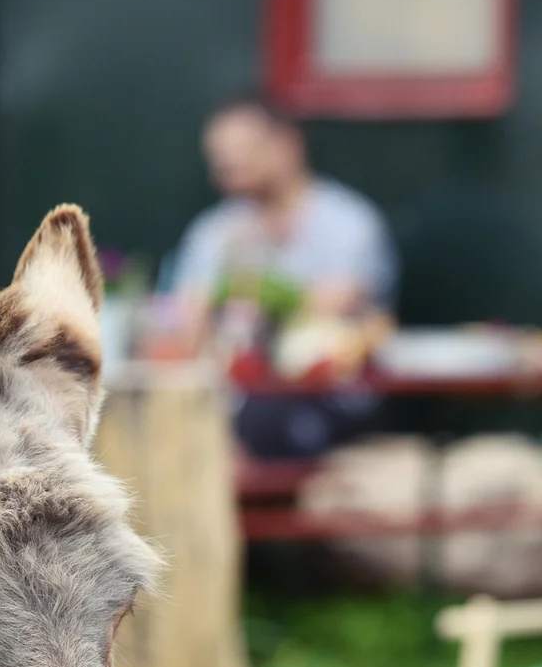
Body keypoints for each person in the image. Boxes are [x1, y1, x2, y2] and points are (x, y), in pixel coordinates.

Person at [168, 94, 397, 459]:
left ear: (288, 144)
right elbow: (186, 319)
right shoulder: (215, 231)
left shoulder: (347, 222)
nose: (230, 163)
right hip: (230, 402)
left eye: (244, 148)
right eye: (219, 155)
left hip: (328, 402)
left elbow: (341, 302)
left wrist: (241, 294)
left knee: (267, 423)